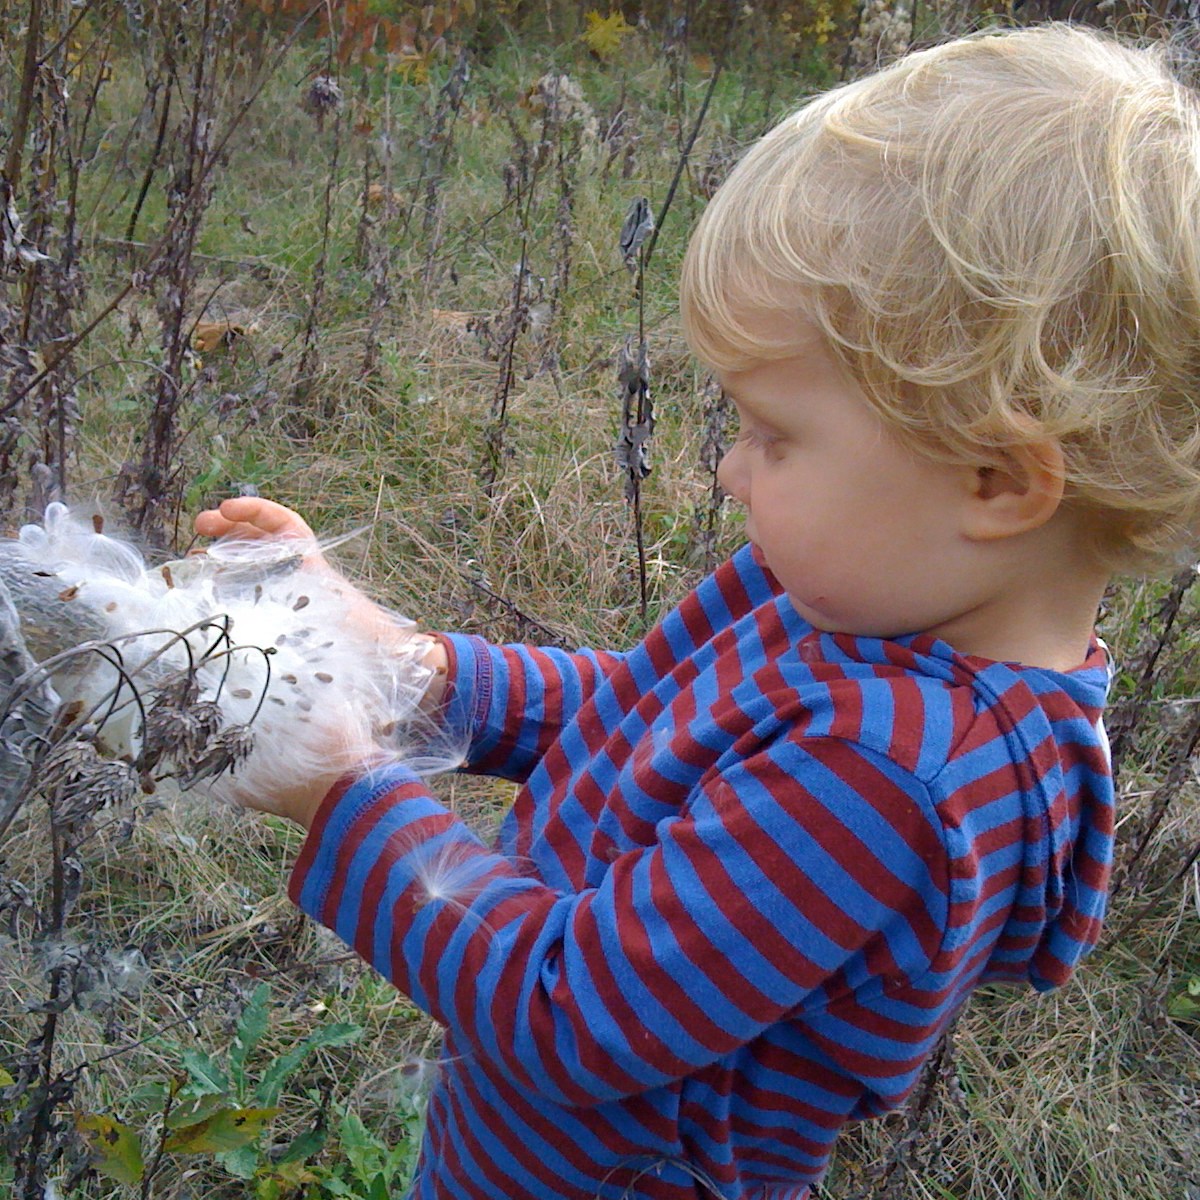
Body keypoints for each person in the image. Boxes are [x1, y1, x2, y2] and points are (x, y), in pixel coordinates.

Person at [195, 23, 1200, 1199]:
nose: (730, 469)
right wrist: (409, 670)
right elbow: (647, 715)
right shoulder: (864, 598)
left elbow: (573, 1013)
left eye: (776, 435)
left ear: (996, 481)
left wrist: (341, 792)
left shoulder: (886, 780)